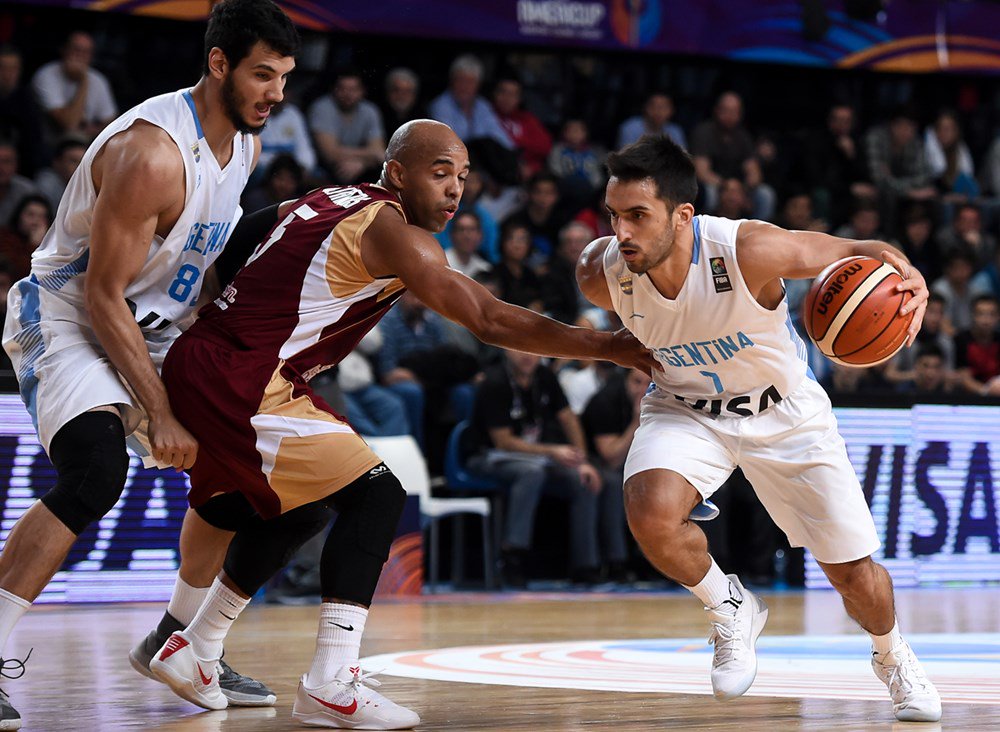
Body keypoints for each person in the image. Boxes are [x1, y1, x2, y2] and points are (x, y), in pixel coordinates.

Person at [144, 119, 655, 727]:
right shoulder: (394, 232)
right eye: (440, 174)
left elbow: (248, 232)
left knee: (302, 508)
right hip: (242, 377)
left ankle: (194, 648)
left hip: (219, 365)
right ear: (397, 172)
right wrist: (607, 345)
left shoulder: (328, 198)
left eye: (463, 177)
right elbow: (488, 320)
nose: (454, 190)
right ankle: (330, 681)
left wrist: (209, 306)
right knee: (378, 494)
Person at [0, 2, 301, 727]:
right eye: (263, 75)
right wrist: (158, 411)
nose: (276, 95)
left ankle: (181, 636)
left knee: (251, 454)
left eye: (286, 78)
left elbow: (189, 269)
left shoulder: (246, 148)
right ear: (220, 63)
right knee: (97, 472)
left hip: (153, 321)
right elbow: (103, 297)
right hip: (70, 313)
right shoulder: (151, 152)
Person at [576, 134, 941, 722]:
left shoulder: (748, 249)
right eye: (615, 216)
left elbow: (860, 248)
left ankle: (892, 654)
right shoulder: (602, 273)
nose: (622, 232)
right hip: (686, 406)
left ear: (683, 215)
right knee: (649, 511)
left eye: (638, 216)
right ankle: (730, 607)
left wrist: (907, 271)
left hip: (785, 412)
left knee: (852, 575)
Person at [469, 348, 603, 587]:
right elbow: (503, 442)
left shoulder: (544, 376)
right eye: (518, 349)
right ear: (505, 350)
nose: (527, 355)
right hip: (488, 456)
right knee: (531, 473)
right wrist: (552, 450)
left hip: (534, 456)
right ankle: (512, 556)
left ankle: (585, 565)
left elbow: (568, 418)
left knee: (580, 479)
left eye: (531, 349)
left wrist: (582, 461)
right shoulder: (495, 382)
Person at [31, 31, 117, 142]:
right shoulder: (47, 74)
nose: (80, 56)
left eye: (86, 52)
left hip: (86, 140)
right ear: (64, 50)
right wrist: (83, 81)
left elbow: (110, 120)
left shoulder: (98, 79)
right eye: (76, 49)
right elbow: (69, 123)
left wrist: (95, 130)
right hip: (50, 140)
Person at [309, 70, 386, 184]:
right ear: (334, 89)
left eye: (353, 89)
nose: (348, 94)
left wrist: (362, 164)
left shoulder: (370, 110)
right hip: (324, 168)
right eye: (342, 89)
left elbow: (380, 153)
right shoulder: (322, 108)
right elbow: (329, 154)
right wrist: (370, 155)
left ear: (362, 91)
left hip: (359, 169)